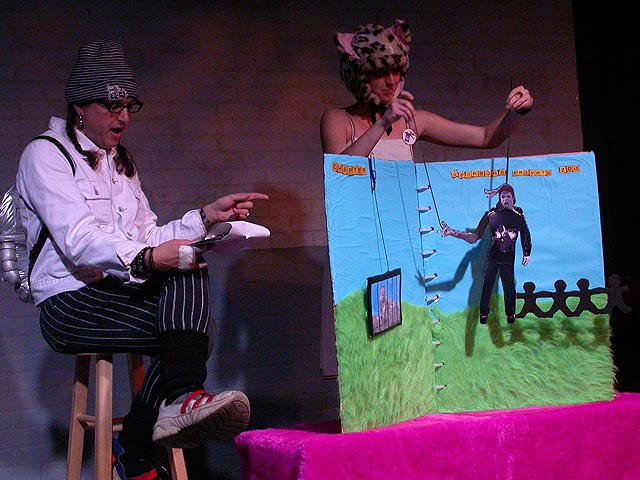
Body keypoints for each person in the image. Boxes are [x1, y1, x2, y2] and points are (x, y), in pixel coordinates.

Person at [16, 39, 268, 480]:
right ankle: (147, 439)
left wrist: (206, 217)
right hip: (68, 303)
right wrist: (149, 259)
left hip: (114, 293)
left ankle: (161, 421)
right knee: (190, 334)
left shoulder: (119, 164)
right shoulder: (45, 155)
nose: (124, 117)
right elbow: (79, 240)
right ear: (80, 107)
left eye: (129, 106)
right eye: (112, 105)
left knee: (190, 277)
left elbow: (147, 237)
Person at [320, 19, 534, 161]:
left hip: (402, 215)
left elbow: (486, 138)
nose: (391, 81)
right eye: (380, 72)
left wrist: (517, 111)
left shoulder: (414, 121)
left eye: (396, 71)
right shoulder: (337, 120)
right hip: (359, 217)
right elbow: (339, 173)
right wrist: (383, 124)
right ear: (359, 76)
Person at [441, 183, 531, 324]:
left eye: (508, 196)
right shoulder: (491, 214)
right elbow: (475, 237)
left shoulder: (518, 214)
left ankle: (511, 313)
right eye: (503, 196)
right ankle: (484, 314)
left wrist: (527, 252)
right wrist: (454, 233)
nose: (505, 199)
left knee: (509, 286)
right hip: (494, 256)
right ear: (499, 199)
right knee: (488, 285)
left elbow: (525, 233)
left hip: (508, 257)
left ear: (513, 198)